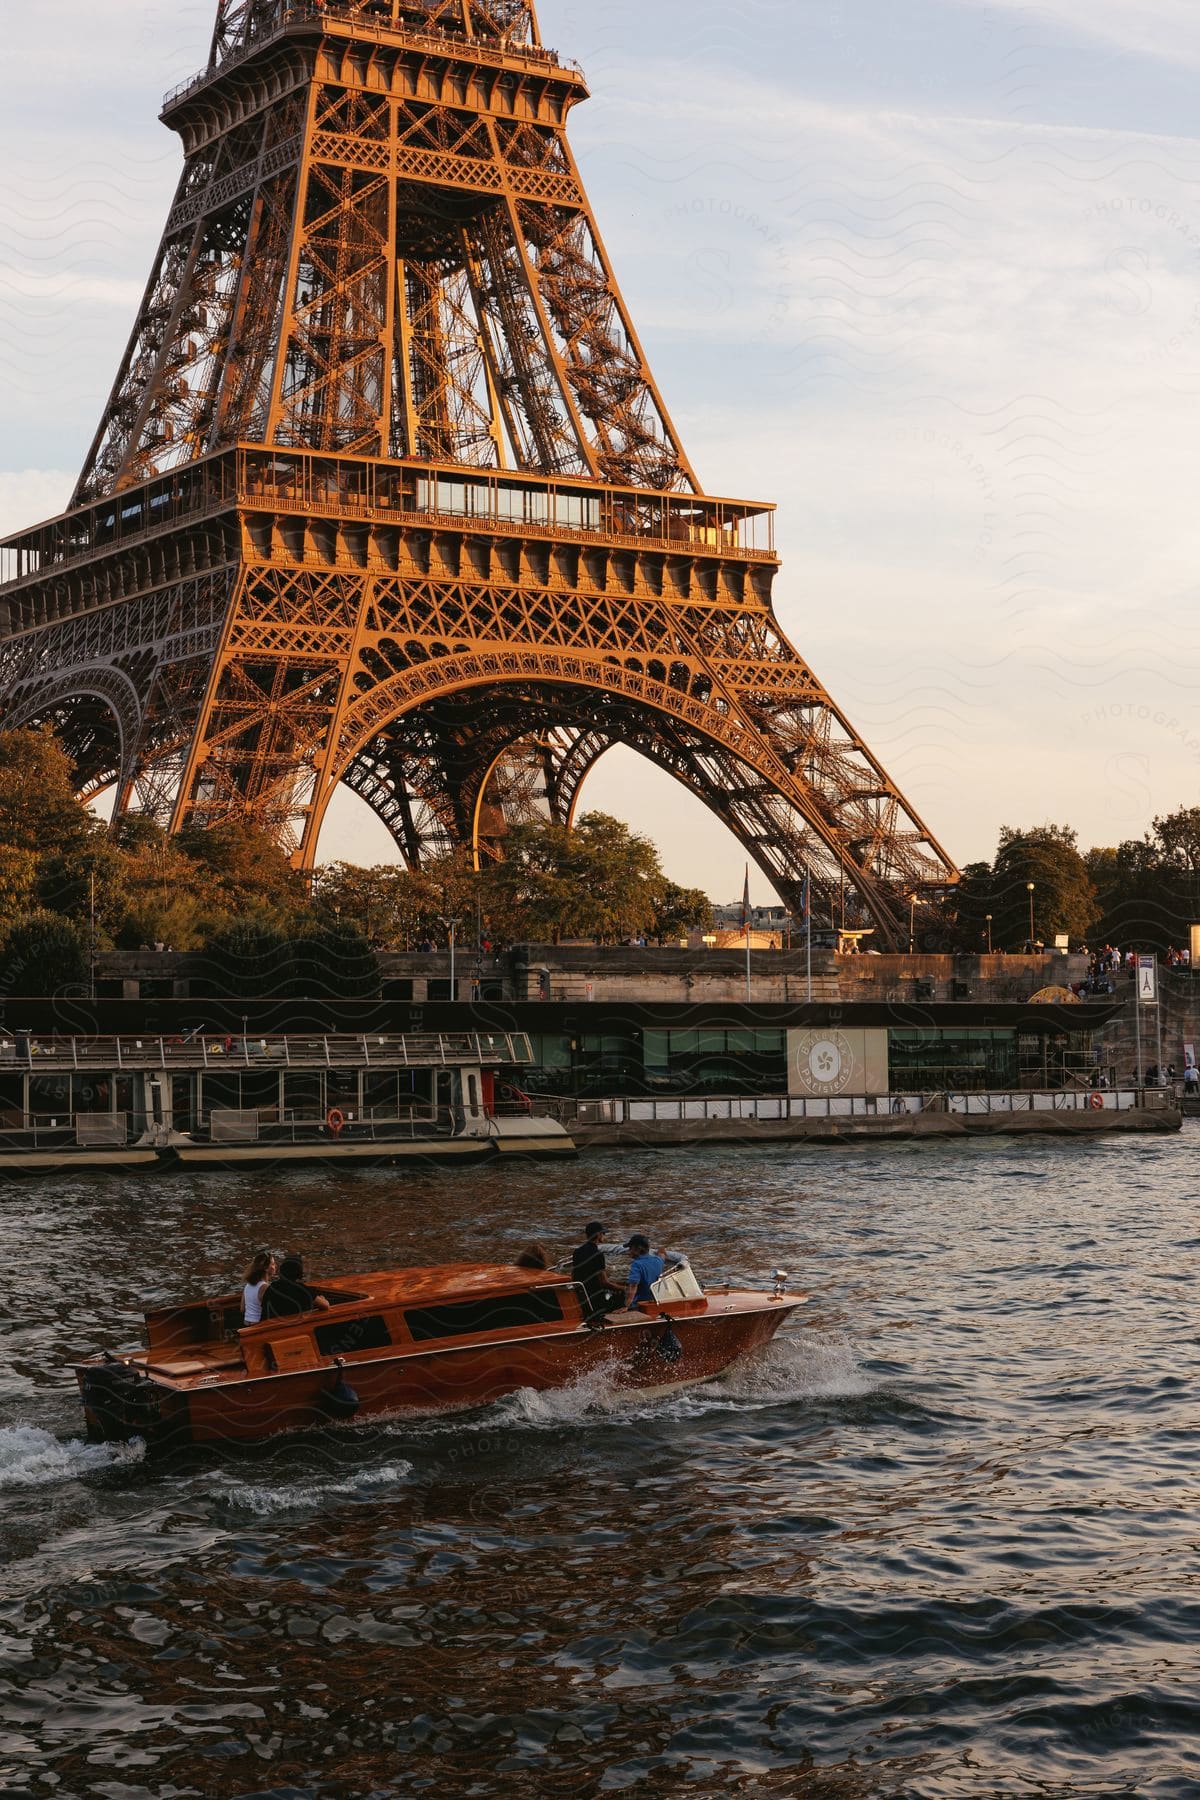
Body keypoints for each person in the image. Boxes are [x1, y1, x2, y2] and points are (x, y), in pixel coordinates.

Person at [570, 1221, 624, 1319]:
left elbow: (575, 1274)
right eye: (604, 1233)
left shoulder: (577, 1252)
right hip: (596, 1302)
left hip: (583, 1297)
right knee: (621, 1296)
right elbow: (604, 1282)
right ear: (598, 1235)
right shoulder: (597, 1254)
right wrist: (623, 1288)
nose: (604, 1236)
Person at [623, 1234, 686, 1313]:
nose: (629, 1251)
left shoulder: (637, 1265)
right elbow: (662, 1254)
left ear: (637, 1249)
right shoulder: (658, 1260)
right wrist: (661, 1250)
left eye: (630, 1248)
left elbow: (633, 1286)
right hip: (653, 1301)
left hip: (639, 1304)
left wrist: (626, 1306)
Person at [261, 1253, 331, 1318]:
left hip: (271, 1325)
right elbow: (325, 1306)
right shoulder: (301, 1289)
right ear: (299, 1271)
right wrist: (323, 1298)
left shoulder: (272, 1286)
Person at [241, 1249, 277, 1324]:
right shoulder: (264, 1287)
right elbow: (272, 1311)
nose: (275, 1266)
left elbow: (242, 1309)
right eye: (273, 1264)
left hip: (246, 1323)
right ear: (266, 1268)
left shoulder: (248, 1285)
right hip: (258, 1326)